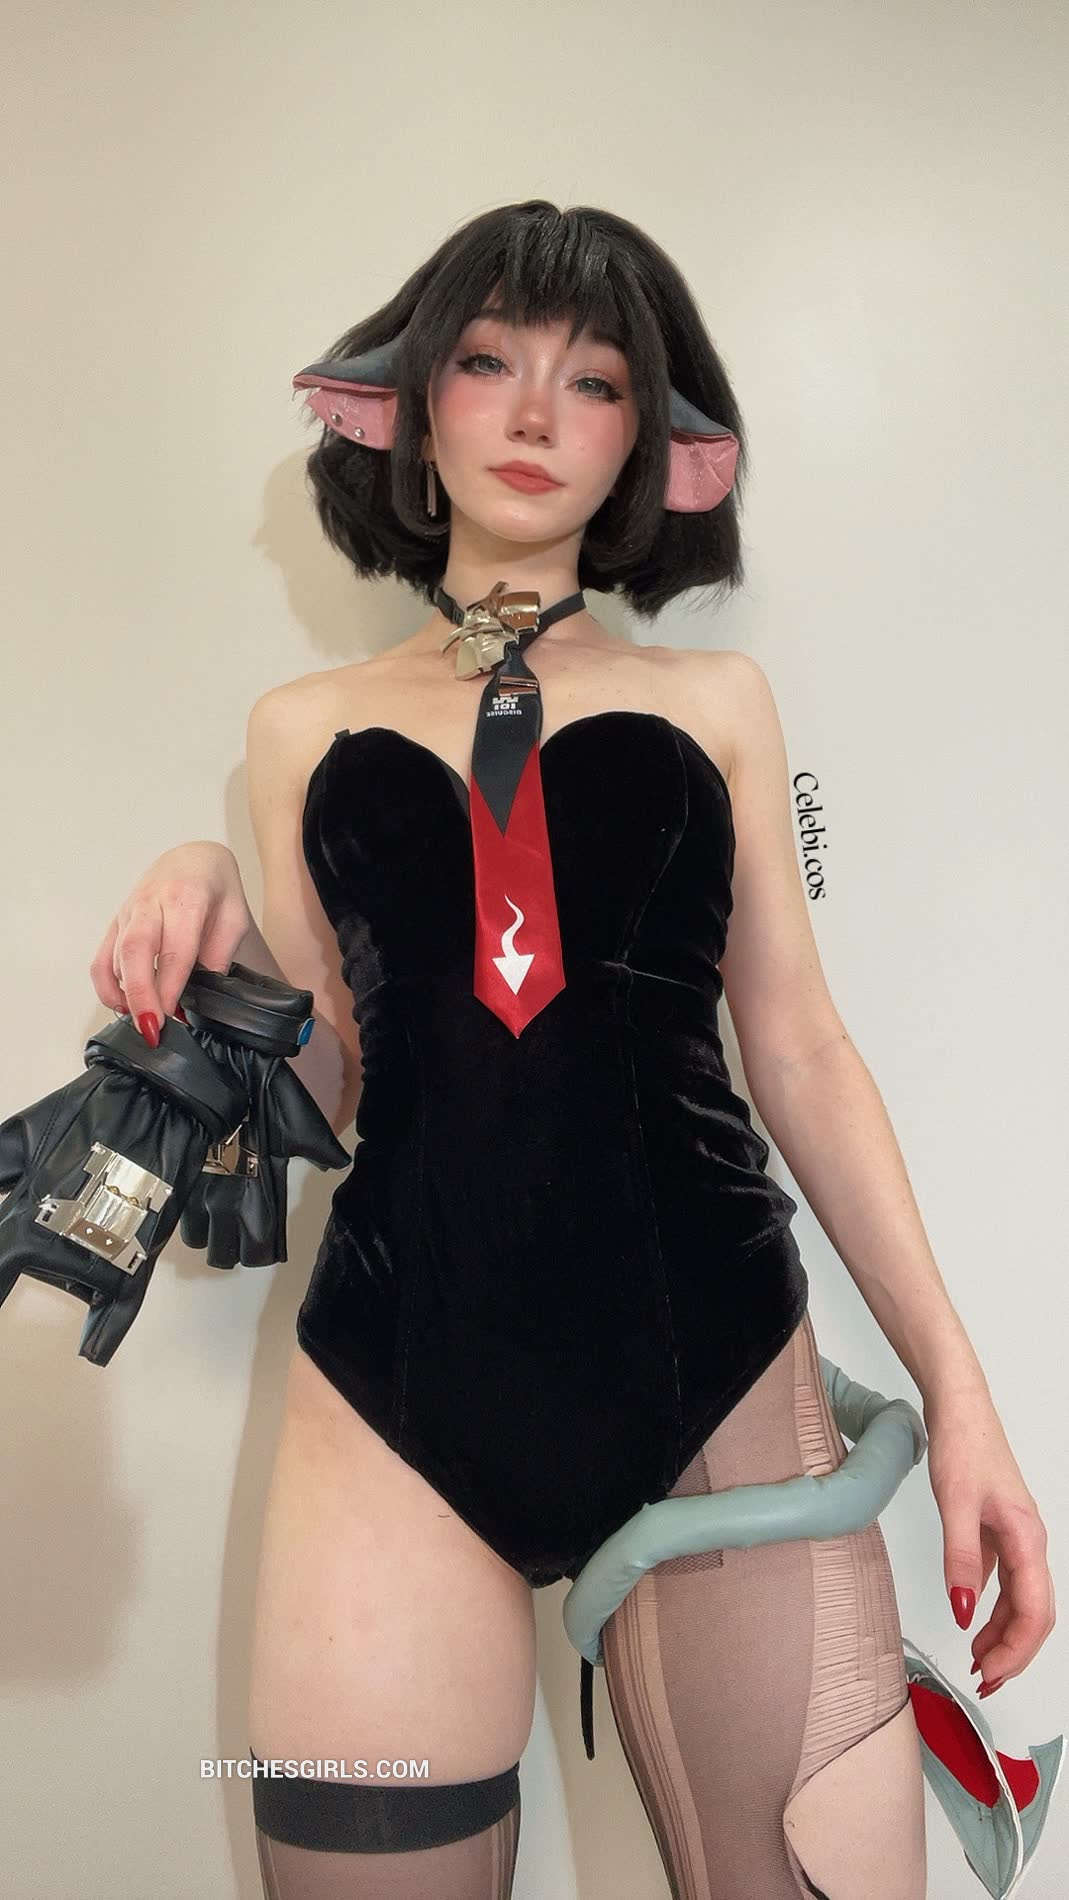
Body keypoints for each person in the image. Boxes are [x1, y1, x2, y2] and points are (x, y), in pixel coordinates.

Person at [90, 201, 1054, 1898]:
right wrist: (209, 891)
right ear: (409, 406)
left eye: (594, 380)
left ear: (647, 444)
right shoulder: (295, 732)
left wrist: (961, 1402)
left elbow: (799, 1051)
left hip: (714, 1369)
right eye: (487, 363)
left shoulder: (720, 706)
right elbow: (329, 1089)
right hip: (392, 1387)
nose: (536, 413)